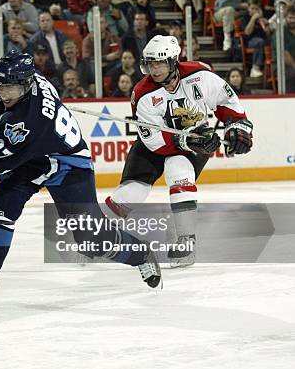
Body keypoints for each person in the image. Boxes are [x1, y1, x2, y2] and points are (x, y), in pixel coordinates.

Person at [0, 49, 162, 301]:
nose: (4, 94)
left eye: (10, 89)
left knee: (91, 239)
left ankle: (140, 253)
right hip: (30, 158)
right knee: (0, 206)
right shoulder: (28, 79)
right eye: (0, 87)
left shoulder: (30, 122)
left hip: (67, 164)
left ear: (26, 85)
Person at [104, 35, 253, 268]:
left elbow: (227, 103)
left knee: (178, 170)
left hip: (197, 137)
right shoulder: (142, 93)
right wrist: (186, 142)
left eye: (159, 63)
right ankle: (96, 235)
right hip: (157, 142)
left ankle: (186, 242)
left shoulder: (200, 75)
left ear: (174, 61)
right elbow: (154, 141)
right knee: (132, 193)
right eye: (150, 63)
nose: (153, 69)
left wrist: (237, 126)